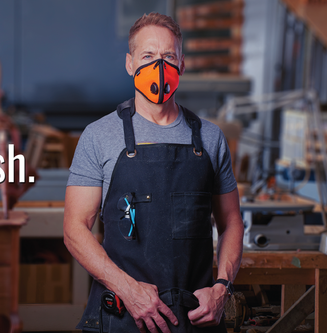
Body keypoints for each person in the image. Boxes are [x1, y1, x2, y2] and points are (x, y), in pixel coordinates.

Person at [63, 12, 244, 333]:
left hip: (195, 316)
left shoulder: (211, 137)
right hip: (122, 314)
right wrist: (128, 289)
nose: (158, 66)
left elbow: (231, 222)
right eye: (148, 56)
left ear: (182, 65)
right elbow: (75, 229)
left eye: (168, 56)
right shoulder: (99, 135)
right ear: (130, 64)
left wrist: (221, 289)